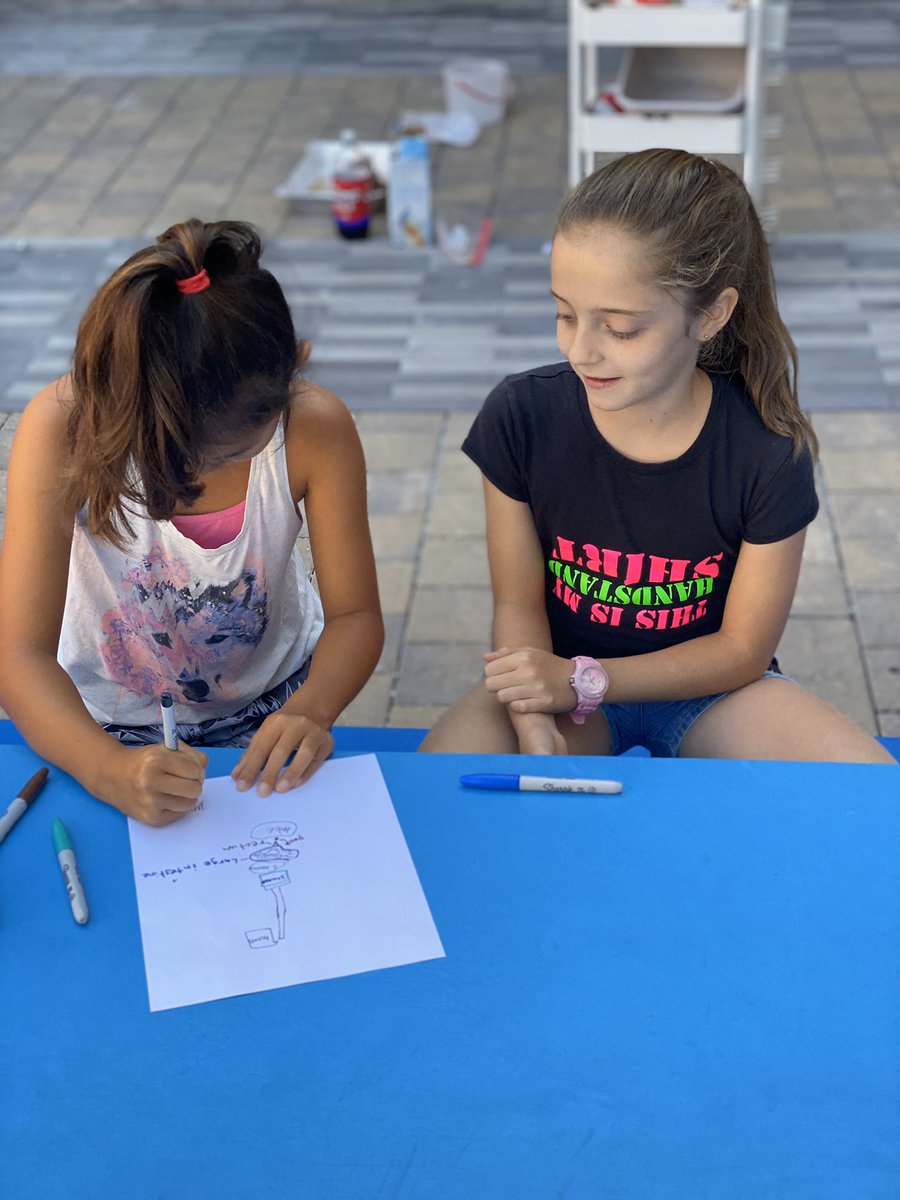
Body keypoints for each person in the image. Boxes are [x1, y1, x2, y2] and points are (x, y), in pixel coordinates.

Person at [421, 149, 894, 765]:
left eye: (620, 328)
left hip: (712, 691)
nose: (581, 351)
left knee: (874, 792)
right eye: (564, 314)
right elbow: (518, 602)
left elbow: (742, 650)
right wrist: (533, 719)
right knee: (431, 793)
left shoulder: (768, 452)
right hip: (556, 686)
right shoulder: (521, 417)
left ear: (712, 315)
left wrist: (586, 678)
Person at [0, 218, 385, 825]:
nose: (184, 483)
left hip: (275, 705)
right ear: (125, 401)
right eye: (159, 458)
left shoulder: (315, 429)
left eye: (220, 458)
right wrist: (108, 771)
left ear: (287, 384)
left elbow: (356, 617)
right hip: (99, 723)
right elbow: (19, 656)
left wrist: (312, 711)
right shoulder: (60, 431)